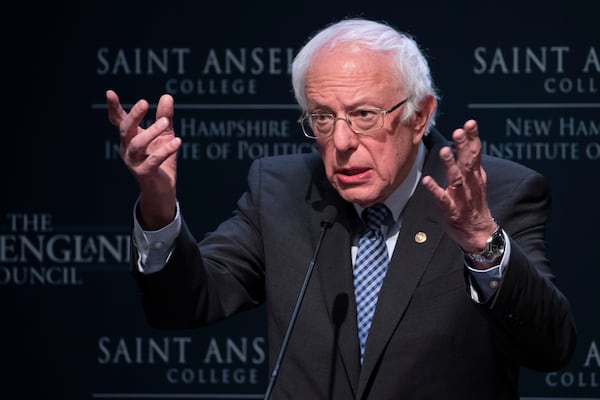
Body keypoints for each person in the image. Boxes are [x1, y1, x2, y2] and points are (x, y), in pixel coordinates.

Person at [106, 18, 576, 399]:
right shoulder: (282, 190)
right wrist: (158, 203)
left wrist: (481, 243)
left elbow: (552, 347)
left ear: (420, 115)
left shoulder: (496, 195)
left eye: (364, 115)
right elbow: (185, 304)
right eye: (323, 118)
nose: (343, 142)